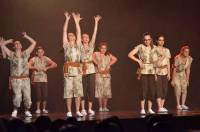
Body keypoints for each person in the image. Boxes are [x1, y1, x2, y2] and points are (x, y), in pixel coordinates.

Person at [0, 32, 36, 117]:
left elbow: (34, 43)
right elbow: (2, 45)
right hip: (15, 79)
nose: (17, 44)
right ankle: (15, 109)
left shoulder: (25, 53)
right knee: (17, 96)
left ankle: (27, 110)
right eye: (15, 43)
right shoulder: (11, 54)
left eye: (19, 43)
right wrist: (8, 41)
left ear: (21, 46)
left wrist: (26, 36)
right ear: (14, 46)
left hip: (25, 79)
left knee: (27, 96)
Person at [128, 32, 158, 114]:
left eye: (148, 39)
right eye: (145, 40)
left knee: (152, 90)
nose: (147, 41)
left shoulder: (154, 48)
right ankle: (142, 108)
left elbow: (162, 56)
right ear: (143, 40)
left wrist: (156, 69)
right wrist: (138, 60)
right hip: (143, 70)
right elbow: (130, 54)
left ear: (151, 40)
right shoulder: (140, 47)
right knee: (143, 89)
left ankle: (150, 108)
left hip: (152, 70)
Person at [62, 11, 83, 117]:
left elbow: (79, 32)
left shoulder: (78, 45)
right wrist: (67, 19)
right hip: (68, 69)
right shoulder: (66, 45)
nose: (70, 36)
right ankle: (69, 110)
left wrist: (76, 21)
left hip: (77, 69)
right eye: (68, 35)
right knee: (68, 91)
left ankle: (78, 110)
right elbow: (64, 31)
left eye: (72, 35)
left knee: (78, 91)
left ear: (74, 37)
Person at [80, 15, 101, 116]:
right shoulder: (79, 46)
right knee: (83, 89)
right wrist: (77, 22)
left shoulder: (91, 46)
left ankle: (89, 109)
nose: (86, 38)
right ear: (81, 39)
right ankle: (83, 109)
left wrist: (96, 22)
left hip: (91, 69)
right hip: (82, 69)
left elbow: (94, 34)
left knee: (91, 89)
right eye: (84, 37)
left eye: (87, 37)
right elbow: (77, 32)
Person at [29, 46, 57, 114]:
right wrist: (34, 67)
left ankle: (44, 109)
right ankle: (38, 109)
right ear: (36, 53)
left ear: (43, 52)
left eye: (41, 52)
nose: (40, 53)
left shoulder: (46, 58)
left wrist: (47, 68)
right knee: (38, 95)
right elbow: (28, 65)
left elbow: (55, 64)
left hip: (44, 79)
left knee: (45, 95)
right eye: (39, 52)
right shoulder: (34, 59)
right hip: (36, 79)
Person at [93, 42, 117, 112]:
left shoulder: (108, 54)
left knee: (106, 91)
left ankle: (105, 107)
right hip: (99, 74)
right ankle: (100, 107)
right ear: (99, 48)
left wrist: (109, 64)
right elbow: (90, 57)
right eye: (102, 48)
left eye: (105, 48)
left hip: (106, 75)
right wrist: (96, 63)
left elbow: (115, 59)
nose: (103, 50)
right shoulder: (96, 53)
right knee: (99, 90)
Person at [171, 45, 193, 110]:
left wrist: (187, 79)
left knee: (184, 89)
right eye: (185, 51)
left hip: (183, 75)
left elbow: (188, 69)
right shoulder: (177, 57)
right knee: (178, 89)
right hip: (177, 74)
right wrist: (173, 79)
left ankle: (183, 104)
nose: (187, 53)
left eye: (188, 52)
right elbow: (174, 69)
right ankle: (178, 104)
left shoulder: (189, 58)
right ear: (182, 51)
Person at [155, 35, 171, 113]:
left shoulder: (167, 50)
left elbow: (168, 62)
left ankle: (162, 106)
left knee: (165, 89)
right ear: (157, 41)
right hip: (157, 71)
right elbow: (154, 62)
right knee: (159, 90)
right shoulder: (155, 49)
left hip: (165, 71)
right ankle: (159, 107)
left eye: (163, 40)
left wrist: (169, 73)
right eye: (160, 40)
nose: (162, 42)